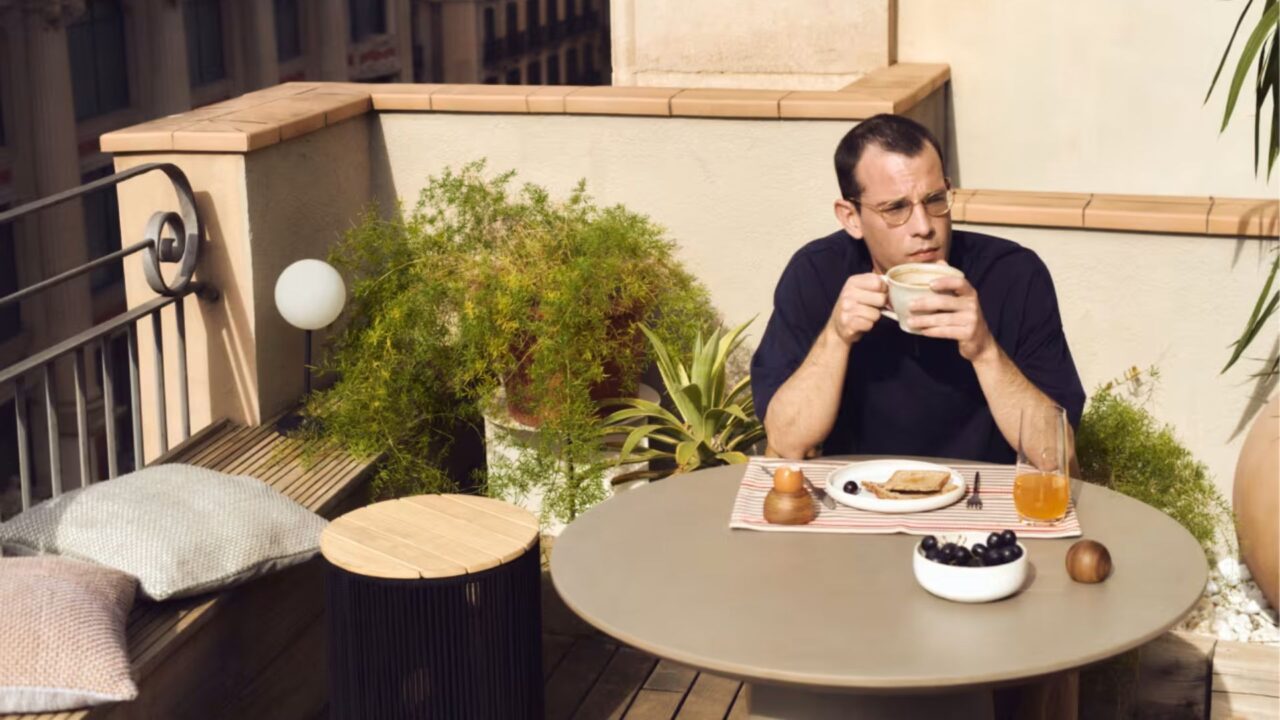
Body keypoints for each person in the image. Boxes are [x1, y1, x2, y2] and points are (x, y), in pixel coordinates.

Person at [751, 114, 1085, 463]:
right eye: (896, 208)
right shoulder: (817, 273)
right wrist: (836, 337)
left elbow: (1056, 454)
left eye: (935, 200)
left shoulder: (1013, 274)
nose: (924, 227)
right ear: (850, 217)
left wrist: (984, 350)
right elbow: (787, 443)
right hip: (857, 497)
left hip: (981, 501)